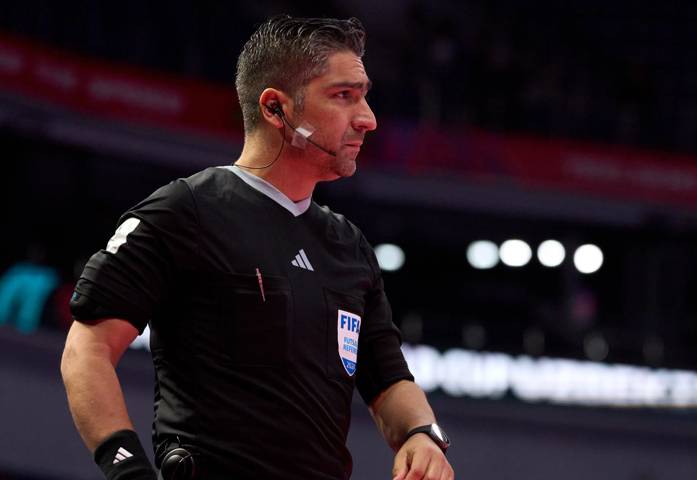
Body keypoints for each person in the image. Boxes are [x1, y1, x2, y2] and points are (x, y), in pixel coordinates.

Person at [61, 15, 454, 480]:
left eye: (364, 95)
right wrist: (128, 471)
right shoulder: (186, 210)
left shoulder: (349, 246)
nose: (368, 118)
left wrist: (421, 434)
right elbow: (86, 349)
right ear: (276, 109)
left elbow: (389, 381)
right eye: (343, 95)